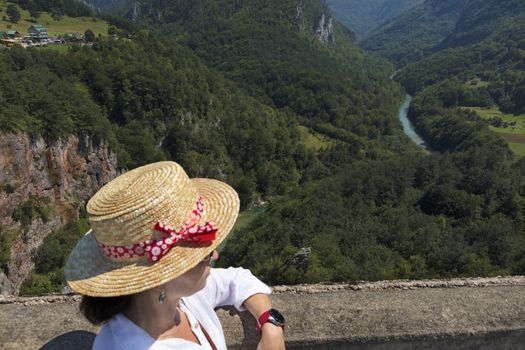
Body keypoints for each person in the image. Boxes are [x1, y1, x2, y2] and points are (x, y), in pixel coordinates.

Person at [65, 161, 286, 349]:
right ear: (158, 281)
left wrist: (271, 324)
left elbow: (237, 279)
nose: (215, 255)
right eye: (204, 256)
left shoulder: (180, 298)